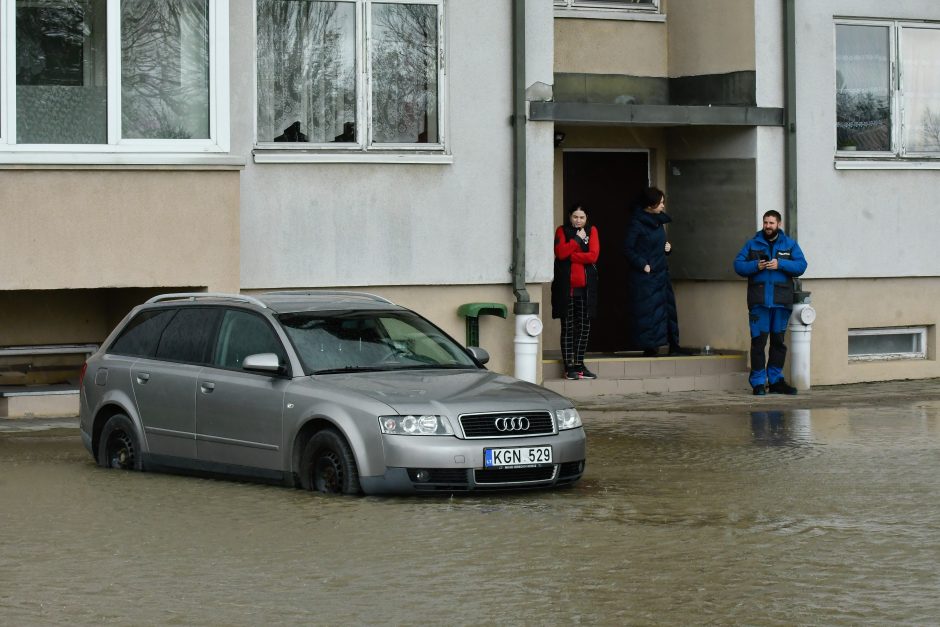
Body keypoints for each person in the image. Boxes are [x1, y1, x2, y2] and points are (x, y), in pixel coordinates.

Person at [733, 210, 808, 395]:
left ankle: (775, 381)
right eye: (765, 222)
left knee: (778, 342)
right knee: (758, 343)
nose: (768, 226)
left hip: (781, 303)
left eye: (771, 223)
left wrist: (780, 264)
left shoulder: (789, 245)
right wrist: (755, 266)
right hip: (759, 303)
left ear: (779, 224)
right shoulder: (752, 244)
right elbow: (738, 265)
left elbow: (801, 265)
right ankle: (758, 383)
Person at [623, 187, 693, 357]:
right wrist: (643, 264)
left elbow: (657, 244)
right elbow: (628, 248)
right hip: (646, 276)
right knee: (649, 312)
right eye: (660, 203)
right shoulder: (637, 223)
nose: (663, 206)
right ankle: (650, 347)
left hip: (661, 272)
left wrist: (667, 248)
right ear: (650, 205)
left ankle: (674, 345)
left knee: (668, 310)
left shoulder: (658, 221)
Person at [551, 204, 600, 380]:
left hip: (586, 289)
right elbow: (559, 252)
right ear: (570, 217)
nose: (578, 220)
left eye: (582, 217)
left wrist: (572, 255)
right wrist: (577, 241)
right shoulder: (562, 231)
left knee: (584, 328)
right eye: (575, 217)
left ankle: (580, 364)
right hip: (566, 289)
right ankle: (569, 366)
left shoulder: (592, 231)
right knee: (568, 327)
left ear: (586, 218)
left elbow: (593, 256)